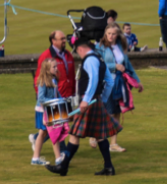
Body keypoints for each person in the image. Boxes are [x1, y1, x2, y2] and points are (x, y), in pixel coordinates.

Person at [45, 38, 121, 177]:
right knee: (99, 136)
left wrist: (86, 100)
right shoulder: (100, 58)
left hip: (89, 102)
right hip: (95, 101)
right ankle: (109, 167)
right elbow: (109, 81)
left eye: (77, 52)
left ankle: (63, 166)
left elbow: (93, 80)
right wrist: (101, 99)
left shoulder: (90, 60)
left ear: (80, 49)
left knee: (75, 135)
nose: (78, 55)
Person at [97, 24, 140, 154]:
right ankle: (97, 136)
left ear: (117, 34)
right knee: (107, 112)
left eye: (113, 34)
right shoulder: (100, 47)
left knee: (116, 111)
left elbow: (127, 64)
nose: (110, 36)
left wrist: (137, 81)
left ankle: (113, 143)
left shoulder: (120, 46)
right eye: (108, 33)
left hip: (119, 83)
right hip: (106, 83)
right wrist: (114, 66)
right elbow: (99, 64)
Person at [31, 59, 64, 166]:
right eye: (54, 67)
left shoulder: (54, 79)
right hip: (43, 111)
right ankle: (58, 158)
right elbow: (41, 98)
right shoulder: (43, 81)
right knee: (50, 133)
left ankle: (36, 158)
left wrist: (62, 100)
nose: (56, 69)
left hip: (52, 109)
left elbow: (57, 94)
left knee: (45, 133)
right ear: (47, 69)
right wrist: (53, 102)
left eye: (56, 66)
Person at [35, 30, 77, 100]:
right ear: (53, 41)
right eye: (62, 39)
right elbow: (39, 78)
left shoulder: (69, 55)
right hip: (55, 100)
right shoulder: (45, 56)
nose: (64, 41)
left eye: (64, 38)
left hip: (69, 97)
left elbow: (72, 76)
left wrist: (73, 93)